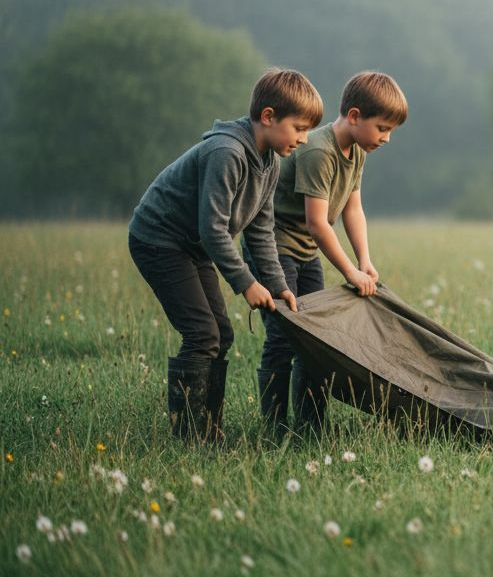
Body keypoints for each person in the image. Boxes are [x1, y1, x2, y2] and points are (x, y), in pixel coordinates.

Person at [128, 69, 324, 443]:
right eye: (298, 127)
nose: (303, 138)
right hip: (160, 240)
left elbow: (261, 231)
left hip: (195, 247)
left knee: (222, 332)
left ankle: (210, 433)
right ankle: (190, 438)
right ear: (268, 117)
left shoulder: (270, 162)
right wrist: (247, 283)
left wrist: (278, 285)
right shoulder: (227, 152)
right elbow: (213, 228)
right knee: (202, 334)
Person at [247, 71, 408, 435]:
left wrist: (364, 260)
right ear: (354, 116)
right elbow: (318, 223)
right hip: (275, 248)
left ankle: (311, 425)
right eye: (382, 128)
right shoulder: (318, 151)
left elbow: (353, 209)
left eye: (390, 131)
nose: (386, 138)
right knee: (285, 333)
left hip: (305, 253)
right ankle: (274, 427)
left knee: (318, 337)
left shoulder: (358, 153)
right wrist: (350, 273)